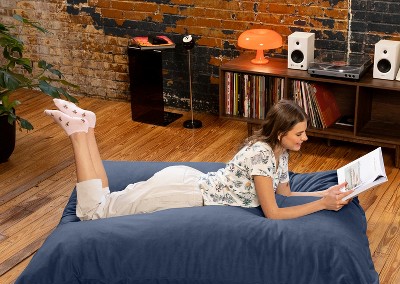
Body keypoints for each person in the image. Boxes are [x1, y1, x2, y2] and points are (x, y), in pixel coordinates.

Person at [44, 98, 352, 221]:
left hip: (189, 181)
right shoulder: (263, 155)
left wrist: (323, 194)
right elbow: (272, 212)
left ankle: (87, 128)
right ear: (282, 133)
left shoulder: (279, 153)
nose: (305, 138)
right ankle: (77, 134)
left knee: (107, 201)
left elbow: (285, 195)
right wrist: (322, 206)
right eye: (300, 133)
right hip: (184, 193)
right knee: (91, 213)